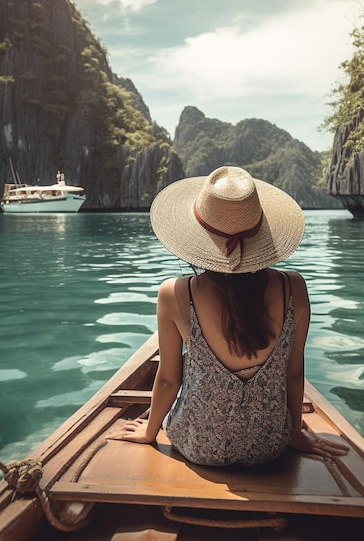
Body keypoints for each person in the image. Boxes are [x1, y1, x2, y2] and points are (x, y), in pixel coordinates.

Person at [109, 165, 348, 465]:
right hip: (269, 446)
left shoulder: (174, 293)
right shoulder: (294, 287)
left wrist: (150, 432)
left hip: (197, 445)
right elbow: (294, 373)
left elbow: (169, 379)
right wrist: (294, 435)